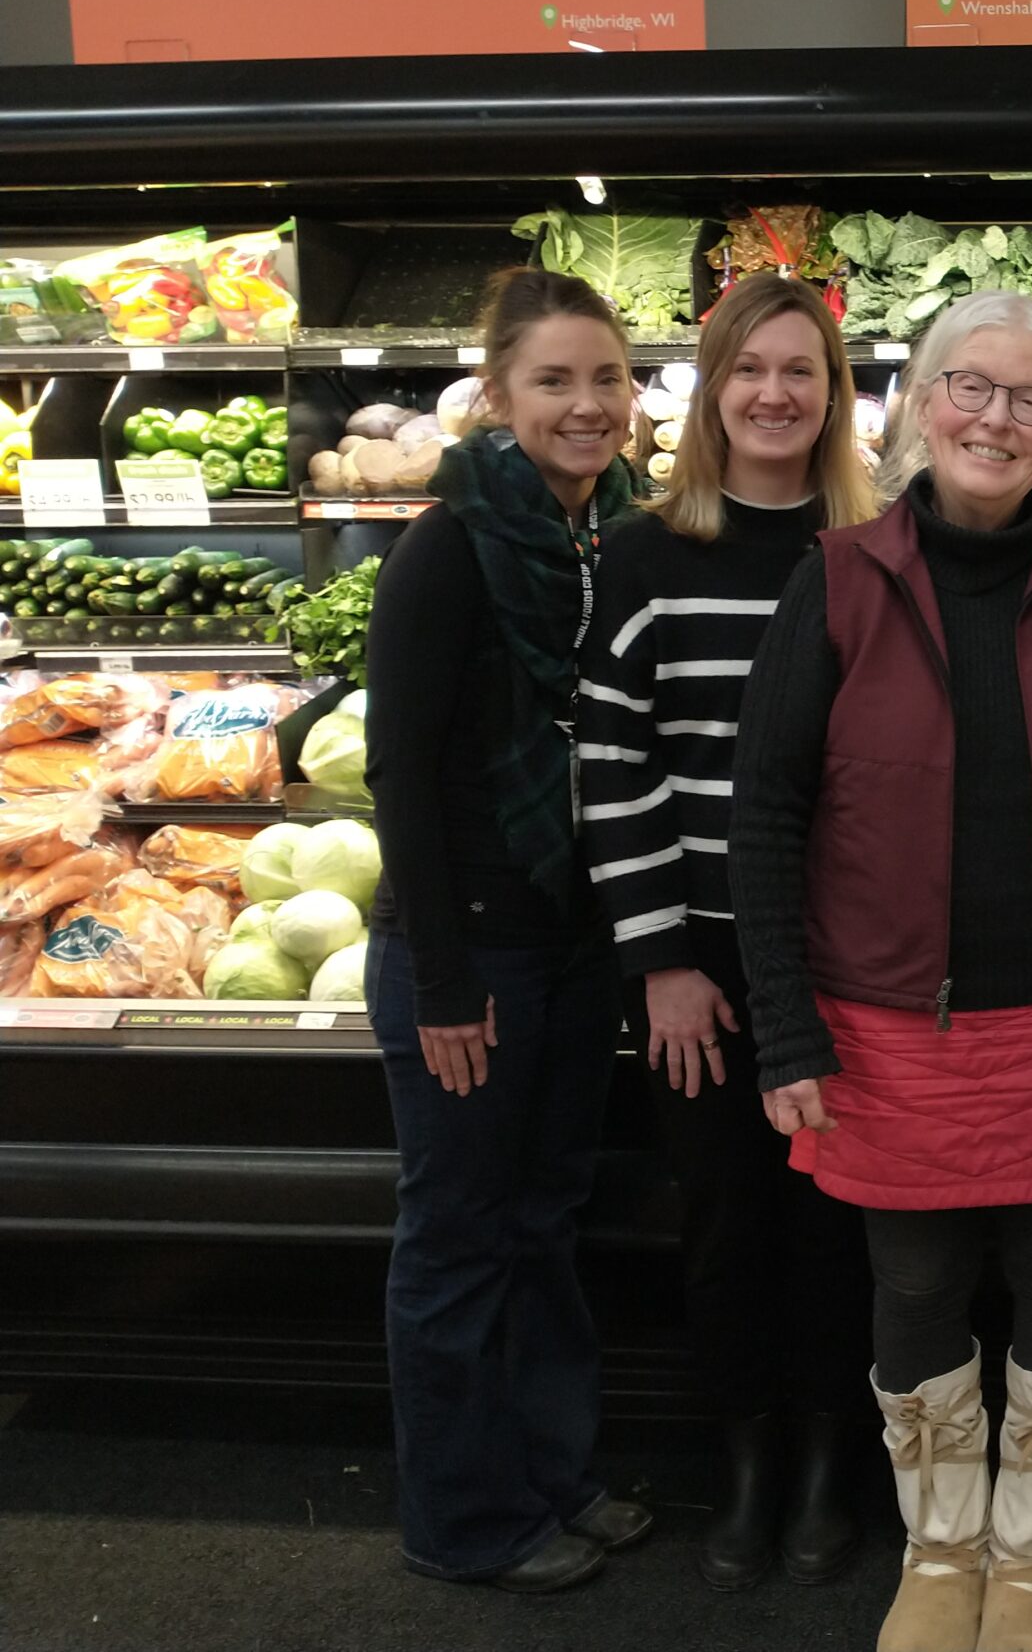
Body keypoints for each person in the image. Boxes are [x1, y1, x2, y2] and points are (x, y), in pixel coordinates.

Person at [728, 290, 1032, 1652]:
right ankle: (942, 1555)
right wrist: (785, 1030)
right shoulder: (840, 577)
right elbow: (765, 813)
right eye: (971, 388)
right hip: (880, 1024)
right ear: (920, 403)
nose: (998, 417)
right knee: (917, 1285)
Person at [576, 276, 878, 1591]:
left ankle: (827, 1465)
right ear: (712, 389)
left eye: (800, 370)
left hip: (843, 957)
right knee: (724, 1222)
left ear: (833, 392)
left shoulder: (876, 550)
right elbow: (612, 761)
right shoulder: (648, 555)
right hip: (698, 959)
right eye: (749, 368)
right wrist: (662, 964)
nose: (774, 393)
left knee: (836, 1229)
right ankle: (743, 1467)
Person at [363, 268, 652, 1594]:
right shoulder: (449, 548)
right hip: (470, 951)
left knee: (544, 1224)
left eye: (607, 379)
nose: (586, 406)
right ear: (498, 396)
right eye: (555, 382)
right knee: (462, 1237)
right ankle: (464, 1521)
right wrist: (441, 981)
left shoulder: (616, 540)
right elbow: (402, 775)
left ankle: (552, 1477)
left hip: (576, 938)